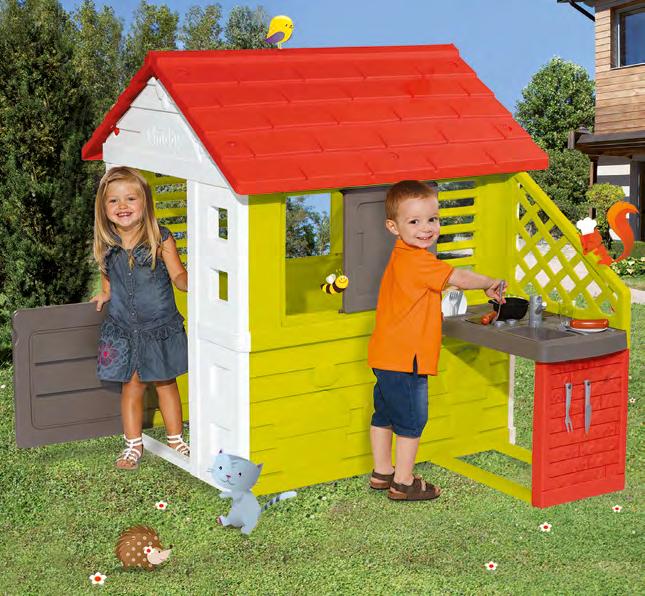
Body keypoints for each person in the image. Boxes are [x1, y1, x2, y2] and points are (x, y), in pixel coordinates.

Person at [367, 180, 505, 501]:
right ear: (393, 227)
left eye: (432, 219)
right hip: (407, 359)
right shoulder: (419, 260)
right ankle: (403, 482)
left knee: (384, 414)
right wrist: (489, 282)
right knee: (412, 420)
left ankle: (382, 471)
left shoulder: (402, 256)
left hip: (385, 355)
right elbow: (458, 277)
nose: (426, 228)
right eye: (414, 221)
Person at [91, 166, 189, 470]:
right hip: (124, 328)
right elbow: (108, 276)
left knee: (165, 382)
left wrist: (193, 282)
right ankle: (133, 444)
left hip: (158, 325)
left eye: (130, 199)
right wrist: (105, 293)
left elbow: (178, 275)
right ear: (104, 208)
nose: (122, 206)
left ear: (145, 202)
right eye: (114, 201)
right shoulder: (107, 243)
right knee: (131, 385)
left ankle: (176, 440)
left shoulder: (160, 238)